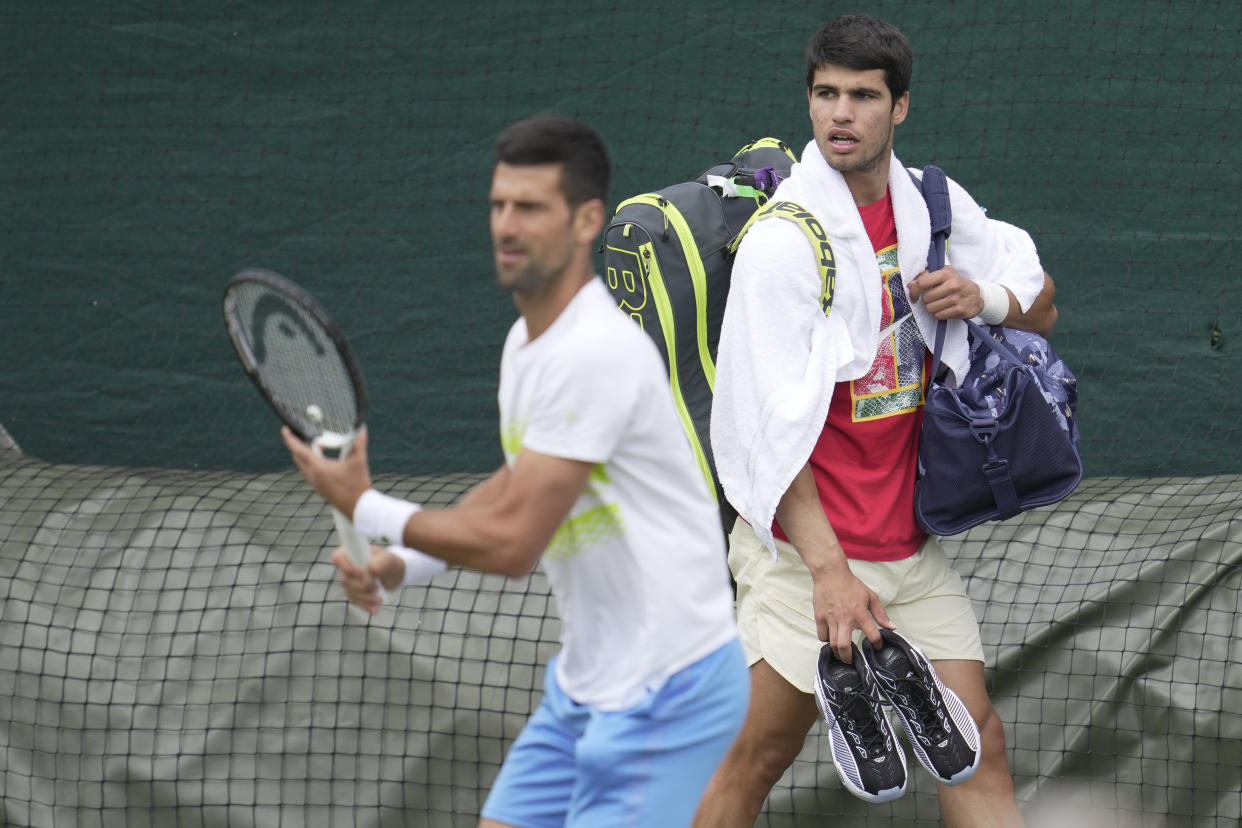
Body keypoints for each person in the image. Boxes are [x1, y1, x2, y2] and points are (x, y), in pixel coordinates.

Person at [282, 115, 748, 828]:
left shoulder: (595, 355)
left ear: (587, 220)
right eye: (499, 204)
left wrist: (365, 504)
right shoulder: (524, 345)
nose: (506, 224)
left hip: (669, 691)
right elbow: (514, 487)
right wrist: (405, 559)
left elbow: (515, 543)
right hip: (585, 685)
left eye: (530, 208)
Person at [694, 14, 1057, 828]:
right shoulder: (784, 242)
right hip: (806, 559)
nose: (840, 115)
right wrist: (829, 574)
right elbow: (760, 427)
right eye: (825, 94)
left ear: (900, 108)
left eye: (862, 96)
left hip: (909, 553)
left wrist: (984, 297)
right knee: (755, 758)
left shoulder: (932, 204)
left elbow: (1041, 304)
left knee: (977, 744)